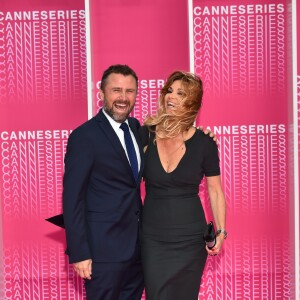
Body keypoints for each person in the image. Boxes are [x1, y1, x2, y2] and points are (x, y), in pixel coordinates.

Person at [139, 71, 227, 300]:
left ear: (192, 102)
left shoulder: (205, 143)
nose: (171, 97)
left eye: (180, 93)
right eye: (169, 91)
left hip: (190, 239)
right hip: (153, 238)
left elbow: (215, 191)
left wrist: (221, 231)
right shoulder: (146, 134)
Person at [62, 64, 144, 300]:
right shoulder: (84, 136)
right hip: (102, 253)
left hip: (137, 251)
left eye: (130, 91)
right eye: (116, 90)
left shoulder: (137, 129)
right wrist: (79, 252)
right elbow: (72, 198)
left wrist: (204, 136)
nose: (123, 97)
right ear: (101, 94)